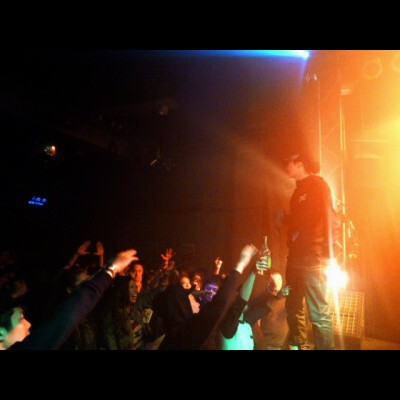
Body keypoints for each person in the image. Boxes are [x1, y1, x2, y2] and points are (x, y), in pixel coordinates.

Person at [0, 249, 138, 350]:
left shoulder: (90, 318)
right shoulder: (63, 324)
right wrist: (111, 269)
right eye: (20, 319)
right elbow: (65, 318)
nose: (29, 324)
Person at [281, 152, 337, 350]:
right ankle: (299, 345)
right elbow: (301, 222)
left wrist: (329, 253)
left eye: (289, 162)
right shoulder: (299, 190)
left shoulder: (317, 185)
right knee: (293, 305)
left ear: (300, 164)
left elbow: (330, 217)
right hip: (296, 257)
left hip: (312, 256)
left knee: (318, 311)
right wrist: (286, 220)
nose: (286, 166)